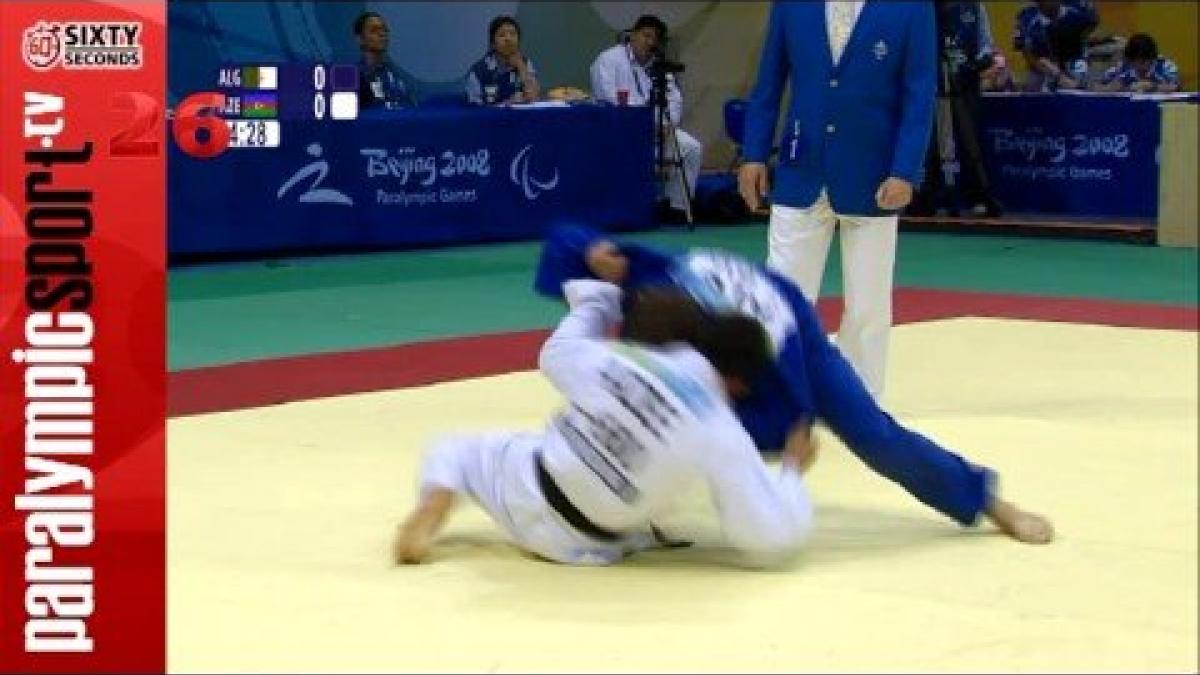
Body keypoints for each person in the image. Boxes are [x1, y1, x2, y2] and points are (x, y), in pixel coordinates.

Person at [533, 223, 1054, 546]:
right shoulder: (630, 271)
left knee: (874, 436)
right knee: (655, 405)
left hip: (791, 342)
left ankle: (986, 499)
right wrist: (592, 249)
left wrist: (793, 438)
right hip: (749, 328)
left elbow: (783, 396)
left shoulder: (699, 330)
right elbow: (565, 236)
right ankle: (645, 499)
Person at [393, 280, 815, 567]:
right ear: (740, 384)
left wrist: (594, 303)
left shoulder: (625, 358)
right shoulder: (722, 431)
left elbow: (555, 354)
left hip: (525, 485)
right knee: (672, 486)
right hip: (588, 543)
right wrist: (792, 470)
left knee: (455, 449)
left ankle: (433, 506)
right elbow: (767, 536)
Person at [737, 1, 937, 399]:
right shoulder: (791, 6)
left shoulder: (911, 9)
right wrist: (754, 154)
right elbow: (768, 83)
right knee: (782, 295)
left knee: (868, 304)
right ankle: (777, 396)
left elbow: (919, 93)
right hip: (800, 169)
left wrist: (905, 170)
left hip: (876, 175)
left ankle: (859, 402)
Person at [590, 14, 702, 223]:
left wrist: (668, 125)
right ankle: (629, 209)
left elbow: (674, 99)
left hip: (658, 132)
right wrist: (646, 122)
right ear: (632, 35)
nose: (650, 42)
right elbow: (608, 97)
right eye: (646, 35)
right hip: (623, 131)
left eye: (655, 38)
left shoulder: (658, 67)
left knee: (691, 148)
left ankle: (676, 208)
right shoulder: (609, 59)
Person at [910, 0, 1004, 219]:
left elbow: (985, 45)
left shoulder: (973, 7)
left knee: (970, 141)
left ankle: (980, 197)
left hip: (965, 84)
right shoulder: (923, 8)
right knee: (932, 144)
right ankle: (924, 197)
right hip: (931, 85)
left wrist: (981, 63)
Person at [1013, 0, 1094, 92]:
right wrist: (1055, 74)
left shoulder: (1078, 8)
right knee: (1034, 89)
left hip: (1074, 61)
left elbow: (1087, 33)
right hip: (1041, 67)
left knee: (1082, 89)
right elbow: (1027, 52)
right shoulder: (1026, 16)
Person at [464, 15, 540, 106]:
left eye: (512, 34)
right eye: (502, 35)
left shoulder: (525, 63)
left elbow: (534, 97)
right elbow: (474, 109)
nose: (508, 39)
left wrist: (521, 68)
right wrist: (505, 105)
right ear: (493, 43)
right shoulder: (478, 71)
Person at [354, 11, 418, 110]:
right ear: (360, 39)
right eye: (374, 30)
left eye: (385, 30)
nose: (382, 34)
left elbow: (412, 107)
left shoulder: (396, 75)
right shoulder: (355, 77)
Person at [1096, 33, 1181, 94]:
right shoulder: (1122, 66)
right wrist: (1119, 87)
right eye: (1136, 62)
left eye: (1143, 62)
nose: (1140, 66)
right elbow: (1096, 87)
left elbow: (1175, 87)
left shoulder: (1166, 66)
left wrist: (1152, 87)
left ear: (1153, 58)